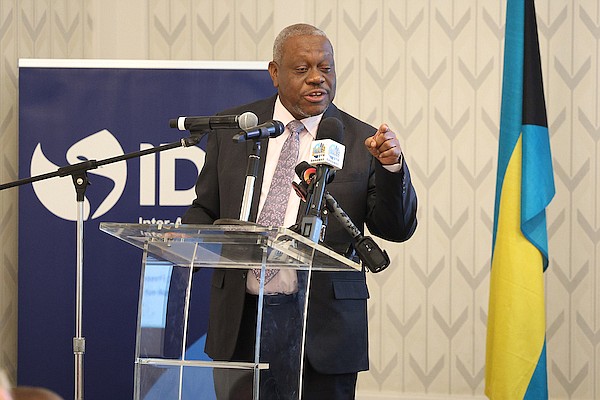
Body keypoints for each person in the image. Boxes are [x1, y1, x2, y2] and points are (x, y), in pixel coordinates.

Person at [182, 23, 418, 399]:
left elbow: (397, 227)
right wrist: (182, 239)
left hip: (323, 329)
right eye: (302, 69)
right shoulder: (235, 129)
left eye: (325, 68)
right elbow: (205, 208)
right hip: (241, 323)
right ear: (274, 73)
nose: (316, 79)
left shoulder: (361, 140)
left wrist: (392, 169)